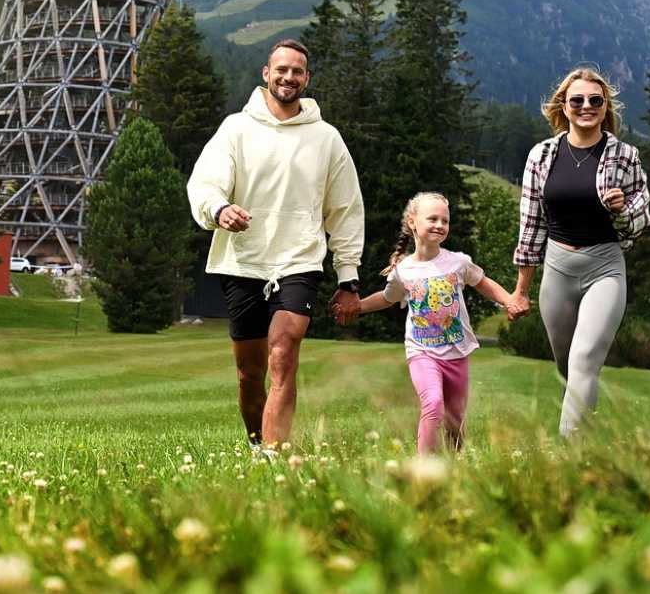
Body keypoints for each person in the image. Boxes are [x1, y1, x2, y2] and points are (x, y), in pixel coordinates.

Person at [187, 39, 365, 449]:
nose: (288, 77)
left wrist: (348, 274)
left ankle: (274, 456)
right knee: (249, 374)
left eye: (297, 71)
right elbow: (205, 183)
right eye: (281, 69)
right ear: (266, 74)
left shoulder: (327, 139)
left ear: (307, 79)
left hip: (299, 260)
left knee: (284, 355)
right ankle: (256, 446)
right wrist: (219, 210)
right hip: (243, 261)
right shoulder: (237, 128)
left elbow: (346, 209)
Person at [512, 67, 650, 437]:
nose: (586, 106)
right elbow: (531, 226)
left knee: (584, 359)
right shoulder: (541, 156)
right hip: (557, 270)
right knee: (566, 369)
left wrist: (623, 210)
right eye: (578, 100)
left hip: (605, 268)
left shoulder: (625, 155)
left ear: (606, 107)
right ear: (564, 106)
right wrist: (521, 290)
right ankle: (585, 439)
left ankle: (566, 457)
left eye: (595, 100)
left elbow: (642, 221)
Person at [342, 192, 527, 452]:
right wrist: (357, 306)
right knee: (432, 405)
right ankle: (424, 470)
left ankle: (456, 464)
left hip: (456, 352)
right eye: (433, 219)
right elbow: (386, 299)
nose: (440, 225)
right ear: (413, 222)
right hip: (422, 352)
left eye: (445, 220)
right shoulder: (403, 271)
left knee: (455, 419)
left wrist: (510, 300)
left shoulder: (458, 263)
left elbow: (483, 283)